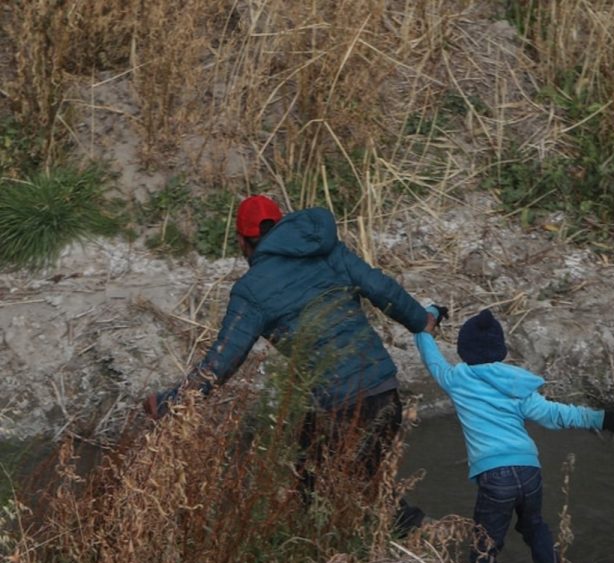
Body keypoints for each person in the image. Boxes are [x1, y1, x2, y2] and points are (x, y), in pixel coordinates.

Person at [143, 194, 435, 530]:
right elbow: (381, 288)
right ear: (281, 224)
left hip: (343, 408)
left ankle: (414, 535)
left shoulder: (251, 291)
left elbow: (222, 362)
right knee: (322, 475)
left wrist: (170, 402)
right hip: (384, 391)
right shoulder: (328, 252)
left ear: (242, 241)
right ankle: (338, 542)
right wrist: (420, 320)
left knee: (350, 488)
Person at [415, 307, 614, 563]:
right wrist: (601, 418)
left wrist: (427, 320)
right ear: (500, 351)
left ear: (464, 351)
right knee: (535, 526)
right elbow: (555, 414)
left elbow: (431, 359)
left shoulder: (456, 380)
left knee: (483, 551)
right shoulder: (517, 385)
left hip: (494, 477)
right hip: (529, 470)